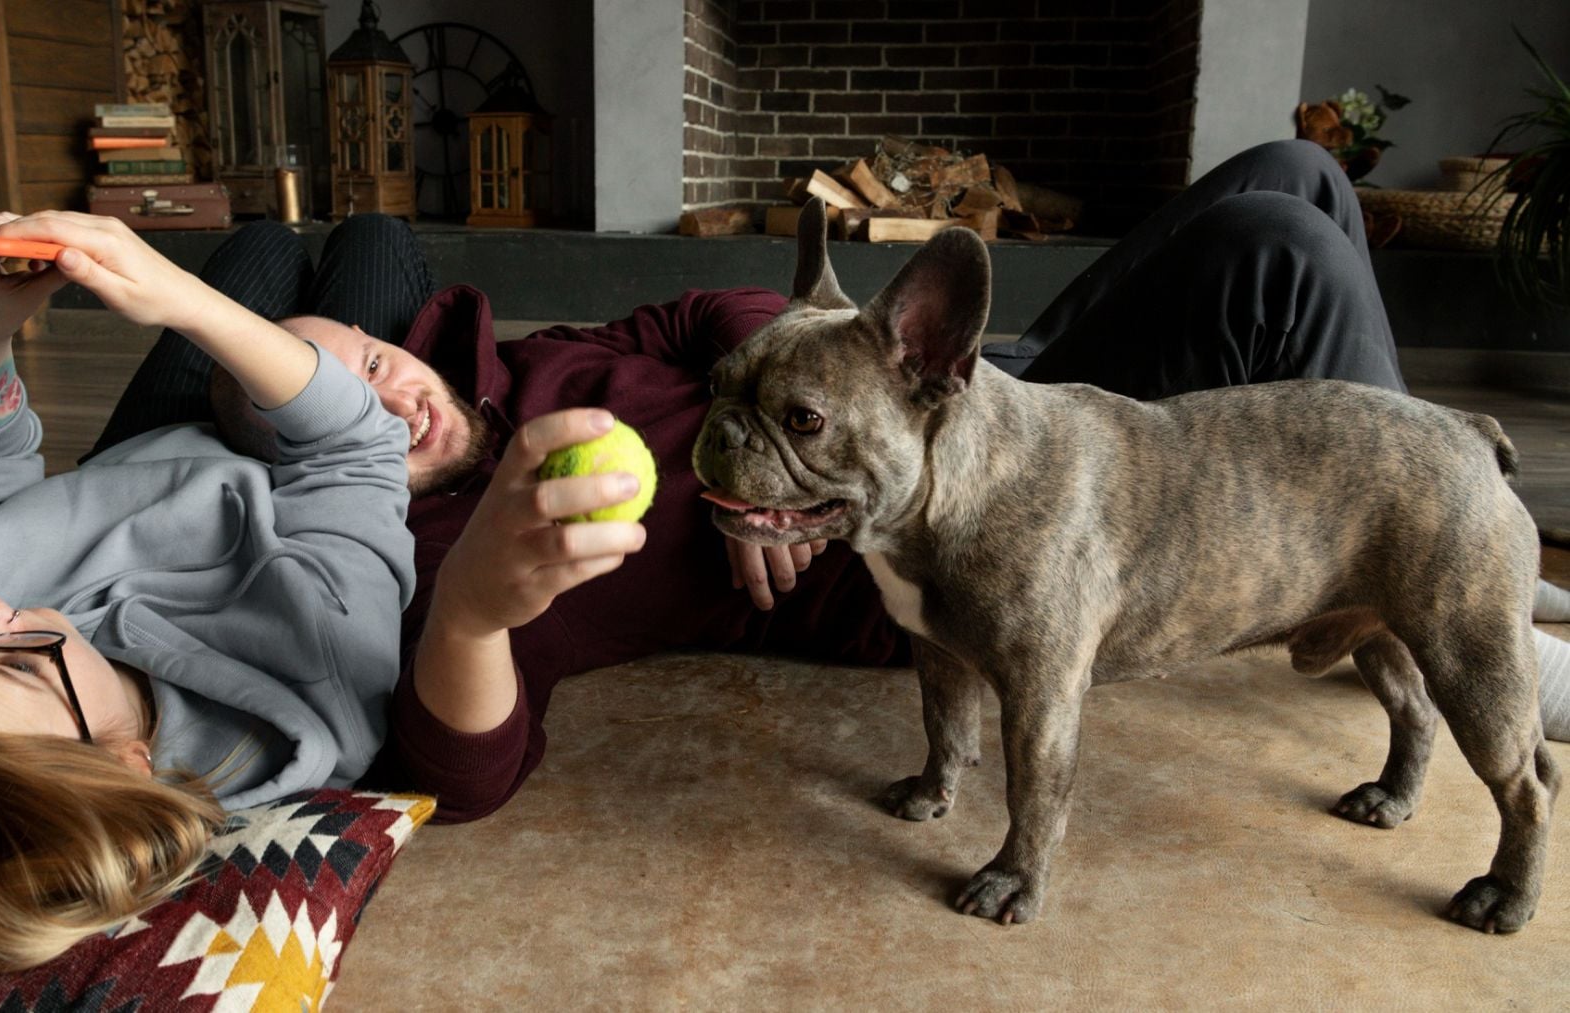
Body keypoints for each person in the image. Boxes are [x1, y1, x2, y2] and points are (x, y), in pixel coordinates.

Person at [86, 138, 1570, 825]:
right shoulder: (461, 541)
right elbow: (459, 763)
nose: (383, 396)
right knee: (1284, 250)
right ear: (334, 463)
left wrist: (824, 353)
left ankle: (1423, 560)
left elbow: (708, 311)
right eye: (336, 412)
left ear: (405, 335)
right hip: (963, 526)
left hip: (941, 383)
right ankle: (1450, 581)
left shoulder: (528, 353)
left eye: (368, 355)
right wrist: (482, 604)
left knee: (1293, 174)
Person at [0, 211, 414, 993]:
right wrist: (180, 298)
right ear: (126, 760)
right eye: (18, 664)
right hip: (306, 468)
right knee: (375, 238)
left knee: (262, 245)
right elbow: (355, 445)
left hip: (139, 450)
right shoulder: (322, 680)